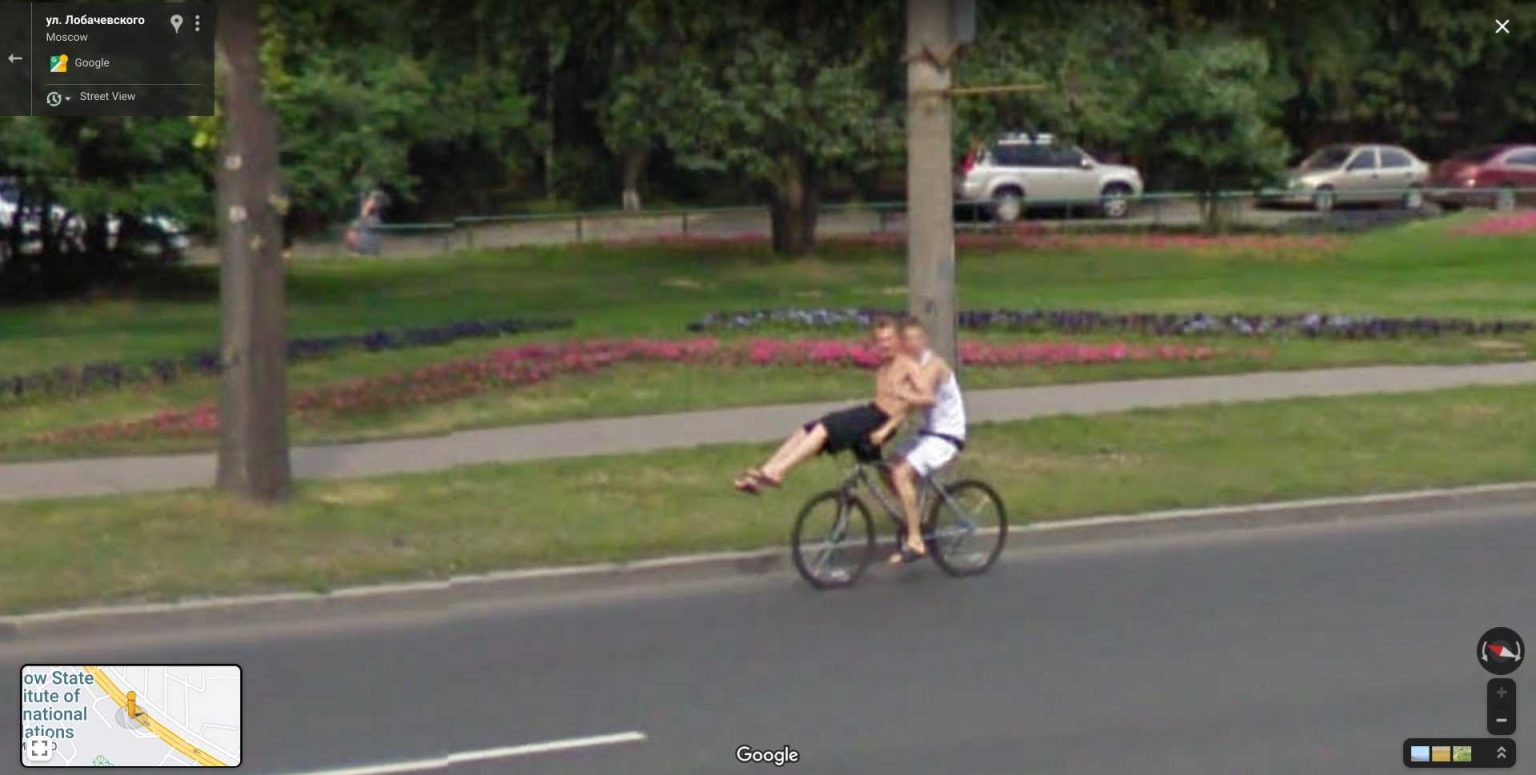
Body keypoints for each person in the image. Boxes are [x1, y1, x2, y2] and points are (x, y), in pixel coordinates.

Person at [734, 317, 921, 493]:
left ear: (899, 340)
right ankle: (765, 473)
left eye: (889, 339)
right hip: (871, 412)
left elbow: (917, 400)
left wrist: (888, 428)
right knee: (808, 429)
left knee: (826, 426)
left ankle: (779, 471)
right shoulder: (884, 366)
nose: (884, 344)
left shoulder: (908, 366)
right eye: (880, 340)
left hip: (881, 419)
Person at [884, 317, 967, 564]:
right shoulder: (911, 367)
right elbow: (900, 405)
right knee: (889, 465)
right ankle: (915, 519)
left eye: (917, 338)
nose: (913, 343)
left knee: (901, 474)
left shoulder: (934, 365)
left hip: (947, 436)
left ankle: (916, 541)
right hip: (929, 434)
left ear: (926, 340)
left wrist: (899, 396)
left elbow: (919, 398)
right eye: (908, 339)